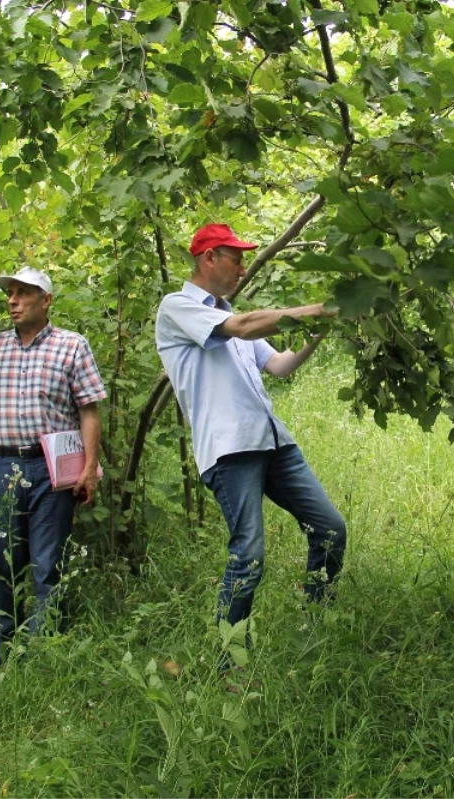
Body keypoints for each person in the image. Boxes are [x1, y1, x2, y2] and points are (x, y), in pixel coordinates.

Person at [155, 223, 346, 666]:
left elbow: (280, 366)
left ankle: (312, 627)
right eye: (236, 258)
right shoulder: (179, 308)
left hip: (273, 443)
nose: (242, 268)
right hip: (229, 451)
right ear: (209, 259)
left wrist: (324, 328)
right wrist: (315, 309)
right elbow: (239, 328)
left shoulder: (230, 314)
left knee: (330, 529)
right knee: (249, 557)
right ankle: (230, 663)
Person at [0, 266, 106, 663]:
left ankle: (47, 651)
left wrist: (89, 468)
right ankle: (5, 654)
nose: (12, 301)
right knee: (2, 560)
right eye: (10, 293)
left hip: (51, 471)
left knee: (48, 562)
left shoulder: (72, 345)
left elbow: (90, 410)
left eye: (23, 293)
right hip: (2, 466)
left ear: (45, 300)